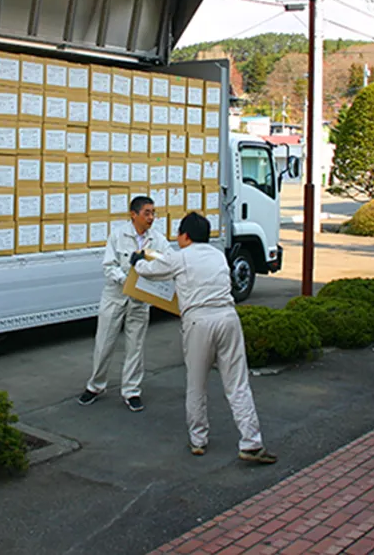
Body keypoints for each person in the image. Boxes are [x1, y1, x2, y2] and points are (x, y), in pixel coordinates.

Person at [132, 212, 277, 464]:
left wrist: (137, 261)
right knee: (237, 384)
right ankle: (252, 442)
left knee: (197, 384)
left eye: (179, 234)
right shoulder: (218, 255)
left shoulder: (180, 257)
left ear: (185, 236)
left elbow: (150, 271)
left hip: (199, 322)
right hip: (228, 318)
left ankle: (198, 440)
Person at [79, 196, 171, 412]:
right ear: (133, 214)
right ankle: (95, 385)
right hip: (115, 295)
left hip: (140, 299)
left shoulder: (157, 239)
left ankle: (131, 391)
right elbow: (109, 266)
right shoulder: (118, 235)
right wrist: (126, 281)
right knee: (104, 343)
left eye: (153, 213)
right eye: (146, 213)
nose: (151, 217)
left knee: (135, 346)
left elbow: (170, 261)